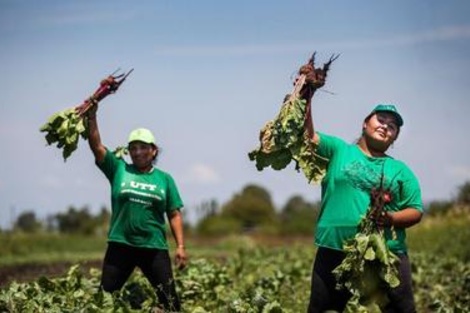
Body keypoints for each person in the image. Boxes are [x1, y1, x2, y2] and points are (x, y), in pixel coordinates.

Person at [301, 75, 423, 311]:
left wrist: (390, 219)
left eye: (392, 126)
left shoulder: (401, 170)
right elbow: (308, 137)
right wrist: (307, 95)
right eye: (381, 119)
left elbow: (415, 211)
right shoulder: (339, 150)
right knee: (323, 309)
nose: (386, 125)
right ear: (365, 124)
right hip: (334, 247)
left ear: (394, 137)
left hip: (385, 252)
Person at [86, 104, 187, 312]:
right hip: (120, 245)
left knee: (171, 304)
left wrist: (180, 247)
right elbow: (96, 146)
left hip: (154, 247)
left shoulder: (165, 179)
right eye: (133, 147)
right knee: (103, 301)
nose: (137, 152)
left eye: (143, 147)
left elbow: (174, 213)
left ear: (153, 150)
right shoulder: (119, 168)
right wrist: (92, 115)